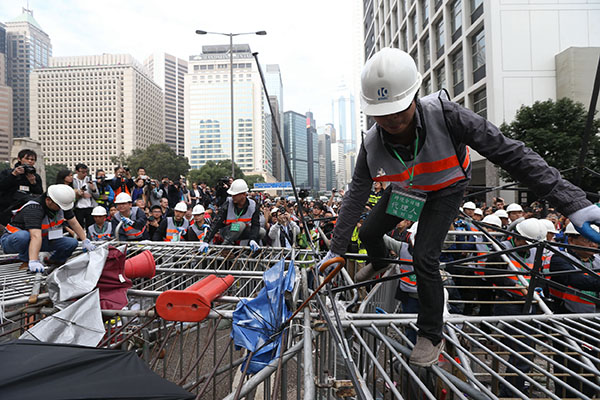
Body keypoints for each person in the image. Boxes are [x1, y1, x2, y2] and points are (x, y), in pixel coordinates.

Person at [319, 47, 600, 367]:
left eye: (399, 110)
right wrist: (336, 249)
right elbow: (357, 194)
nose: (393, 120)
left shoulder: (449, 115)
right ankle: (381, 259)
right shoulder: (370, 143)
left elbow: (513, 154)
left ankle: (431, 333)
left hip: (445, 189)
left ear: (413, 96)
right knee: (369, 231)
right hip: (409, 192)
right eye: (383, 114)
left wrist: (574, 204)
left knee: (424, 254)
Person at [0, 184, 95, 271]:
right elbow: (35, 236)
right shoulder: (34, 208)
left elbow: (74, 223)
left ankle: (54, 262)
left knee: (71, 243)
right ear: (48, 200)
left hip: (40, 240)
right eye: (59, 206)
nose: (61, 209)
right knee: (24, 236)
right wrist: (33, 261)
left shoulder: (61, 204)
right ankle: (26, 261)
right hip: (14, 241)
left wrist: (85, 240)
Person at [199, 179, 264, 253]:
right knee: (240, 225)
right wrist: (206, 240)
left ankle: (249, 249)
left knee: (261, 232)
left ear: (243, 194)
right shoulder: (228, 204)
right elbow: (217, 222)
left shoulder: (253, 205)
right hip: (226, 232)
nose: (232, 197)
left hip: (241, 232)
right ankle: (225, 246)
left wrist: (253, 239)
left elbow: (255, 225)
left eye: (235, 195)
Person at [0, 149, 44, 225]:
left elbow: (39, 194)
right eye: (27, 159)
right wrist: (13, 175)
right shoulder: (7, 172)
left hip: (26, 209)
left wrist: (33, 183)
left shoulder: (35, 176)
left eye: (32, 160)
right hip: (7, 209)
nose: (30, 161)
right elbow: (2, 187)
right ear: (19, 159)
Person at [73, 163, 99, 229]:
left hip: (90, 207)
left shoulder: (90, 180)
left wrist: (93, 189)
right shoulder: (73, 181)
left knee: (90, 227)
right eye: (83, 172)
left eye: (86, 172)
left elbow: (97, 196)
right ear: (77, 172)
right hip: (77, 208)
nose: (85, 174)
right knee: (79, 227)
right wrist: (80, 194)